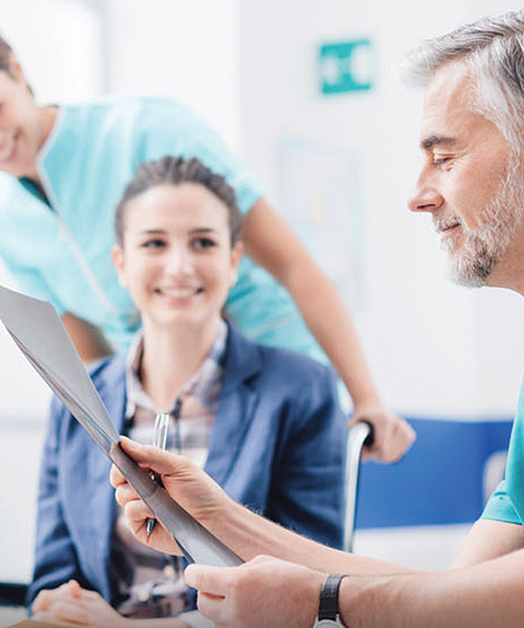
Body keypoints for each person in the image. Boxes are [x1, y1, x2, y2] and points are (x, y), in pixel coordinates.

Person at [98, 9, 524, 628]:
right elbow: (466, 593)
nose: (417, 194)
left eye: (443, 157)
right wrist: (217, 519)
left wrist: (324, 601)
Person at [0, 0, 414, 463]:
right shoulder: (4, 218)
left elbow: (295, 267)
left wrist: (365, 397)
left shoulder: (147, 130)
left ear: (17, 70)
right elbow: (86, 354)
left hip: (274, 367)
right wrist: (117, 443)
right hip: (168, 409)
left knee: (288, 562)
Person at [28, 156, 347, 628]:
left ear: (233, 260)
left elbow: (309, 587)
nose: (179, 267)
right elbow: (53, 578)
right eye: (154, 243)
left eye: (203, 243)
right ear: (120, 262)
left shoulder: (300, 390)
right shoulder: (75, 400)